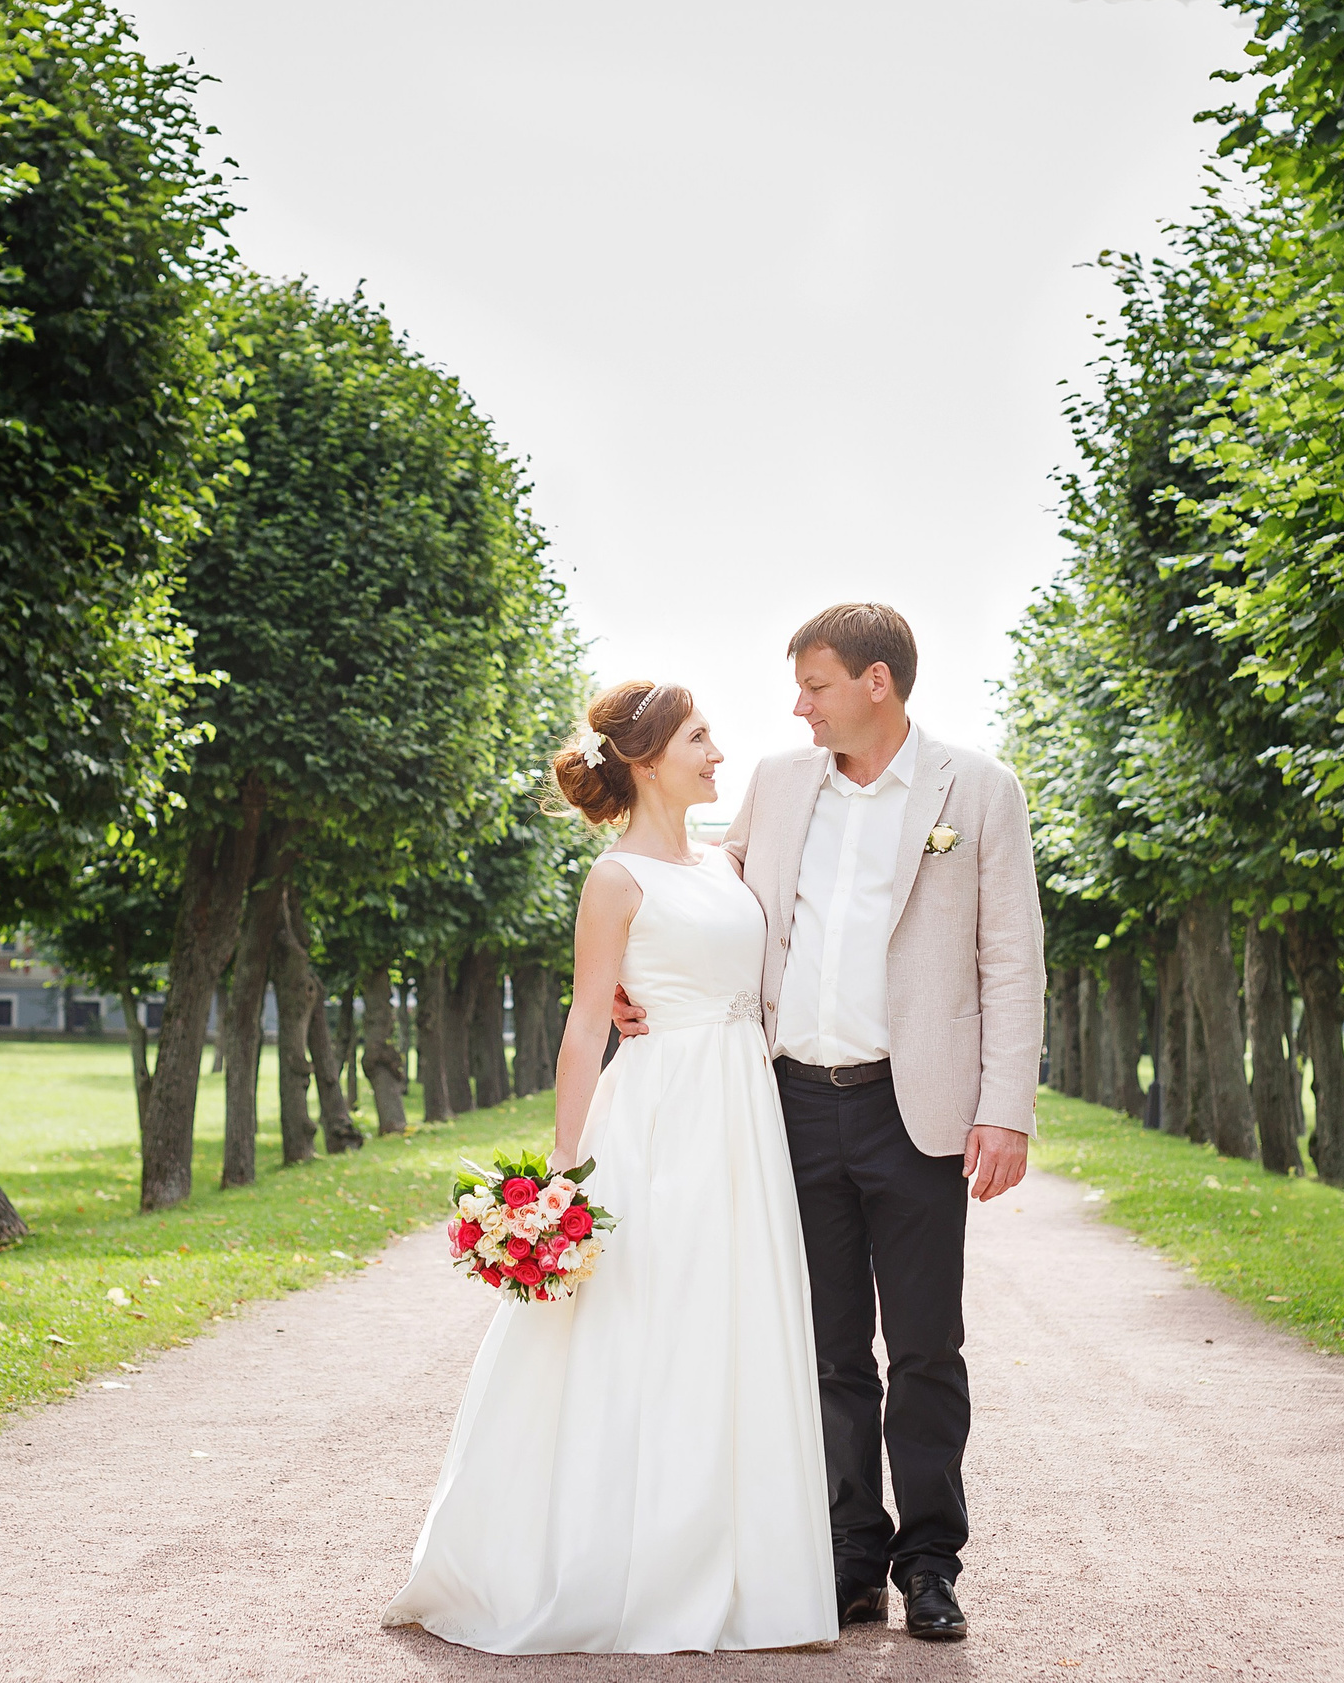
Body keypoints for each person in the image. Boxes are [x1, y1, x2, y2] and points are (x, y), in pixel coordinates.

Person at [381, 679, 838, 1656]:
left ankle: (737, 1567)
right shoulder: (615, 879)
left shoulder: (725, 864)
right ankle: (616, 1568)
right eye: (699, 737)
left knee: (731, 1327)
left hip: (740, 1112)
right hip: (660, 1115)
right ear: (644, 756)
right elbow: (588, 1024)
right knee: (646, 1325)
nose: (718, 753)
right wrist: (562, 1166)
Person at [617, 602, 1045, 1641]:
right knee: (824, 1347)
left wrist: (1004, 1110)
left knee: (926, 1347)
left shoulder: (977, 791)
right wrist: (632, 981)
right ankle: (850, 1551)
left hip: (917, 1111)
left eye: (813, 686)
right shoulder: (777, 782)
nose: (796, 707)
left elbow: (1011, 959)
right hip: (789, 1102)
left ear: (875, 684)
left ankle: (930, 1563)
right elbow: (699, 884)